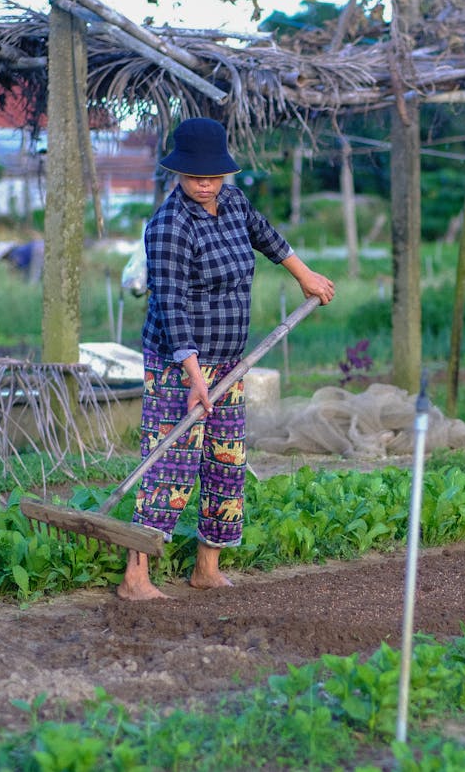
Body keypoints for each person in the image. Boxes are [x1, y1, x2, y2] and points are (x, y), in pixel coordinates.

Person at [118, 118, 335, 601]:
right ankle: (136, 578)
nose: (205, 182)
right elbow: (170, 306)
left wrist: (304, 275)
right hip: (179, 365)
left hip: (231, 362)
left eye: (213, 175)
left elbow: (268, 237)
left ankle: (206, 569)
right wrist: (194, 376)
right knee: (169, 461)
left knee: (226, 460)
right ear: (179, 171)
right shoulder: (169, 225)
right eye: (196, 174)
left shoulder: (234, 203)